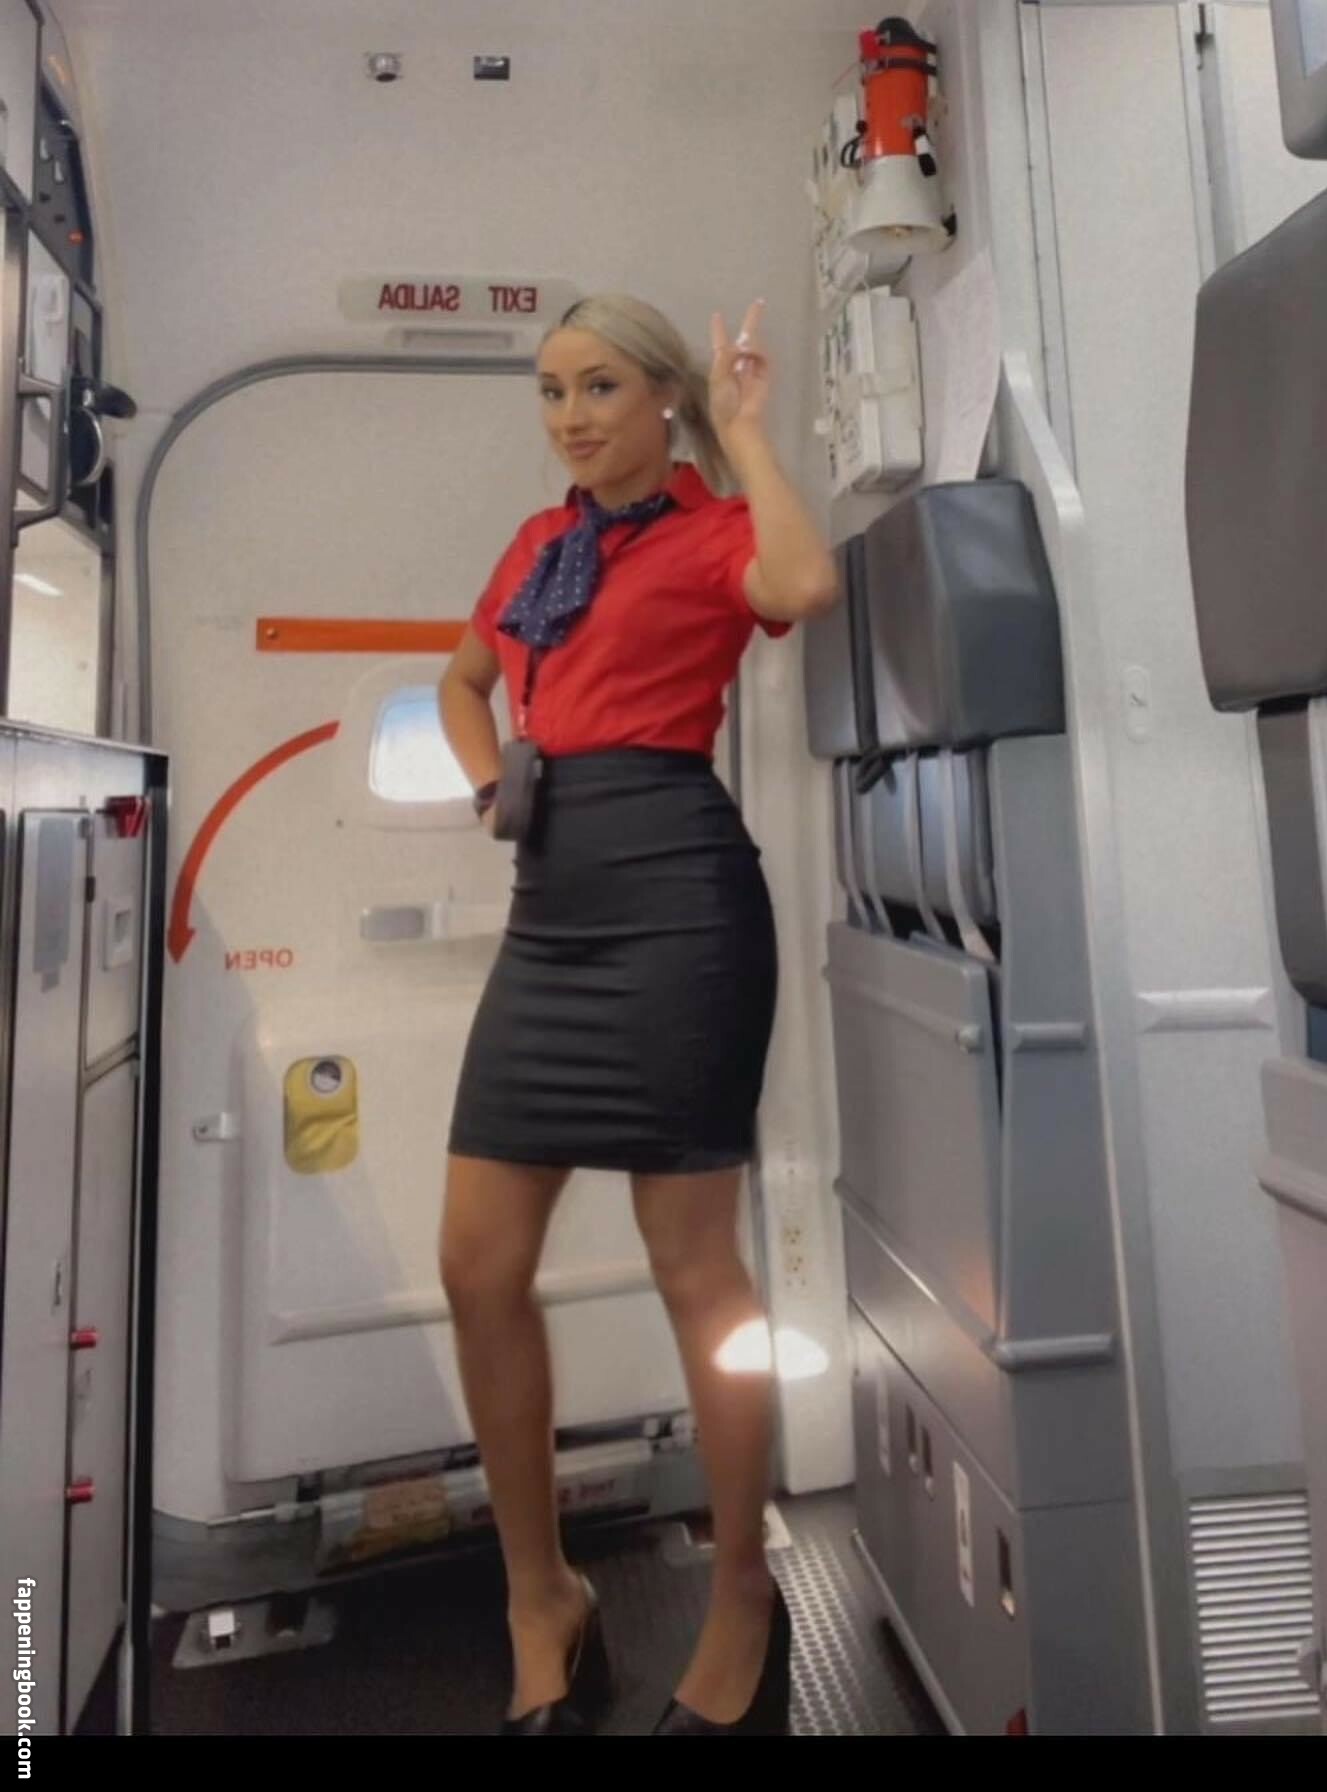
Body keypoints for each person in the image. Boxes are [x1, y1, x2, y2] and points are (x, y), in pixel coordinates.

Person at [436, 293, 837, 1736]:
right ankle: (540, 1595)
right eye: (551, 391)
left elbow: (804, 583)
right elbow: (463, 679)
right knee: (477, 1263)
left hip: (681, 909)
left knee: (698, 1275)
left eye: (599, 386)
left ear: (663, 396)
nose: (570, 417)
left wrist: (746, 430)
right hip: (551, 921)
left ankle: (741, 1595)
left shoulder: (716, 530)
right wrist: (493, 780)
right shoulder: (536, 546)